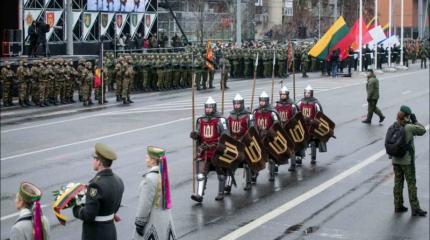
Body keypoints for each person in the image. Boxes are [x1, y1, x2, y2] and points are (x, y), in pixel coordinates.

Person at [73, 143, 125, 240]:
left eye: (94, 159)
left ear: (99, 162)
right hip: (110, 231)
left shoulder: (95, 185)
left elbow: (88, 216)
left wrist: (76, 208)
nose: (92, 162)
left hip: (96, 234)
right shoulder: (118, 180)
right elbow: (115, 208)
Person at [190, 97, 228, 202]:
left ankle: (221, 193)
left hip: (216, 150)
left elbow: (225, 134)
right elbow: (198, 133)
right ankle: (199, 195)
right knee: (201, 174)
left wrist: (221, 140)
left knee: (220, 173)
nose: (208, 109)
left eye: (210, 107)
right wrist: (195, 135)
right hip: (205, 151)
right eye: (206, 107)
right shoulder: (201, 120)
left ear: (214, 108)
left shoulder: (220, 119)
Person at [133, 146, 177, 240]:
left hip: (153, 223)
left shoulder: (149, 179)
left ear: (153, 160)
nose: (145, 159)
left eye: (147, 157)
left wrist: (140, 223)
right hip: (165, 221)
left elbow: (145, 204)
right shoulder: (163, 175)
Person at [391, 106, 427, 217]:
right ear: (407, 116)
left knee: (398, 183)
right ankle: (415, 208)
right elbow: (423, 130)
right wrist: (415, 121)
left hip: (395, 160)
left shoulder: (394, 126)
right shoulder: (409, 127)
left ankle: (398, 205)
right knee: (411, 184)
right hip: (407, 161)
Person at [227, 93, 255, 190]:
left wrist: (245, 136)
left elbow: (252, 129)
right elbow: (227, 129)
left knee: (247, 163)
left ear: (242, 104)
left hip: (244, 142)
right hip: (234, 142)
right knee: (230, 163)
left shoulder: (248, 116)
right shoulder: (231, 116)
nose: (236, 106)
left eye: (238, 104)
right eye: (235, 104)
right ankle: (228, 184)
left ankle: (248, 182)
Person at [253, 91, 280, 181]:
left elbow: (276, 123)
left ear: (267, 101)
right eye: (261, 101)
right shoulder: (255, 111)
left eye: (264, 101)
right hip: (259, 138)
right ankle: (254, 174)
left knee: (271, 157)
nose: (262, 103)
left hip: (268, 137)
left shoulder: (272, 112)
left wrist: (269, 131)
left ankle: (272, 173)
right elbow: (252, 123)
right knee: (255, 156)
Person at [296, 85, 324, 164]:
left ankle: (313, 154)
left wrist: (315, 121)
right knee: (299, 140)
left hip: (312, 125)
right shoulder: (300, 102)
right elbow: (296, 112)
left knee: (314, 139)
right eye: (306, 92)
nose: (307, 94)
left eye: (308, 93)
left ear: (311, 93)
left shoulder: (315, 103)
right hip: (303, 126)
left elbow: (320, 114)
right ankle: (299, 156)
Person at [275, 86, 298, 171]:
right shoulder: (277, 105)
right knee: (277, 147)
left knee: (291, 146)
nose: (282, 96)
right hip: (280, 129)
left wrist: (291, 124)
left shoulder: (292, 105)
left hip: (289, 129)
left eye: (284, 94)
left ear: (287, 95)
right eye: (281, 94)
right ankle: (275, 165)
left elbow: (296, 118)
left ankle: (293, 164)